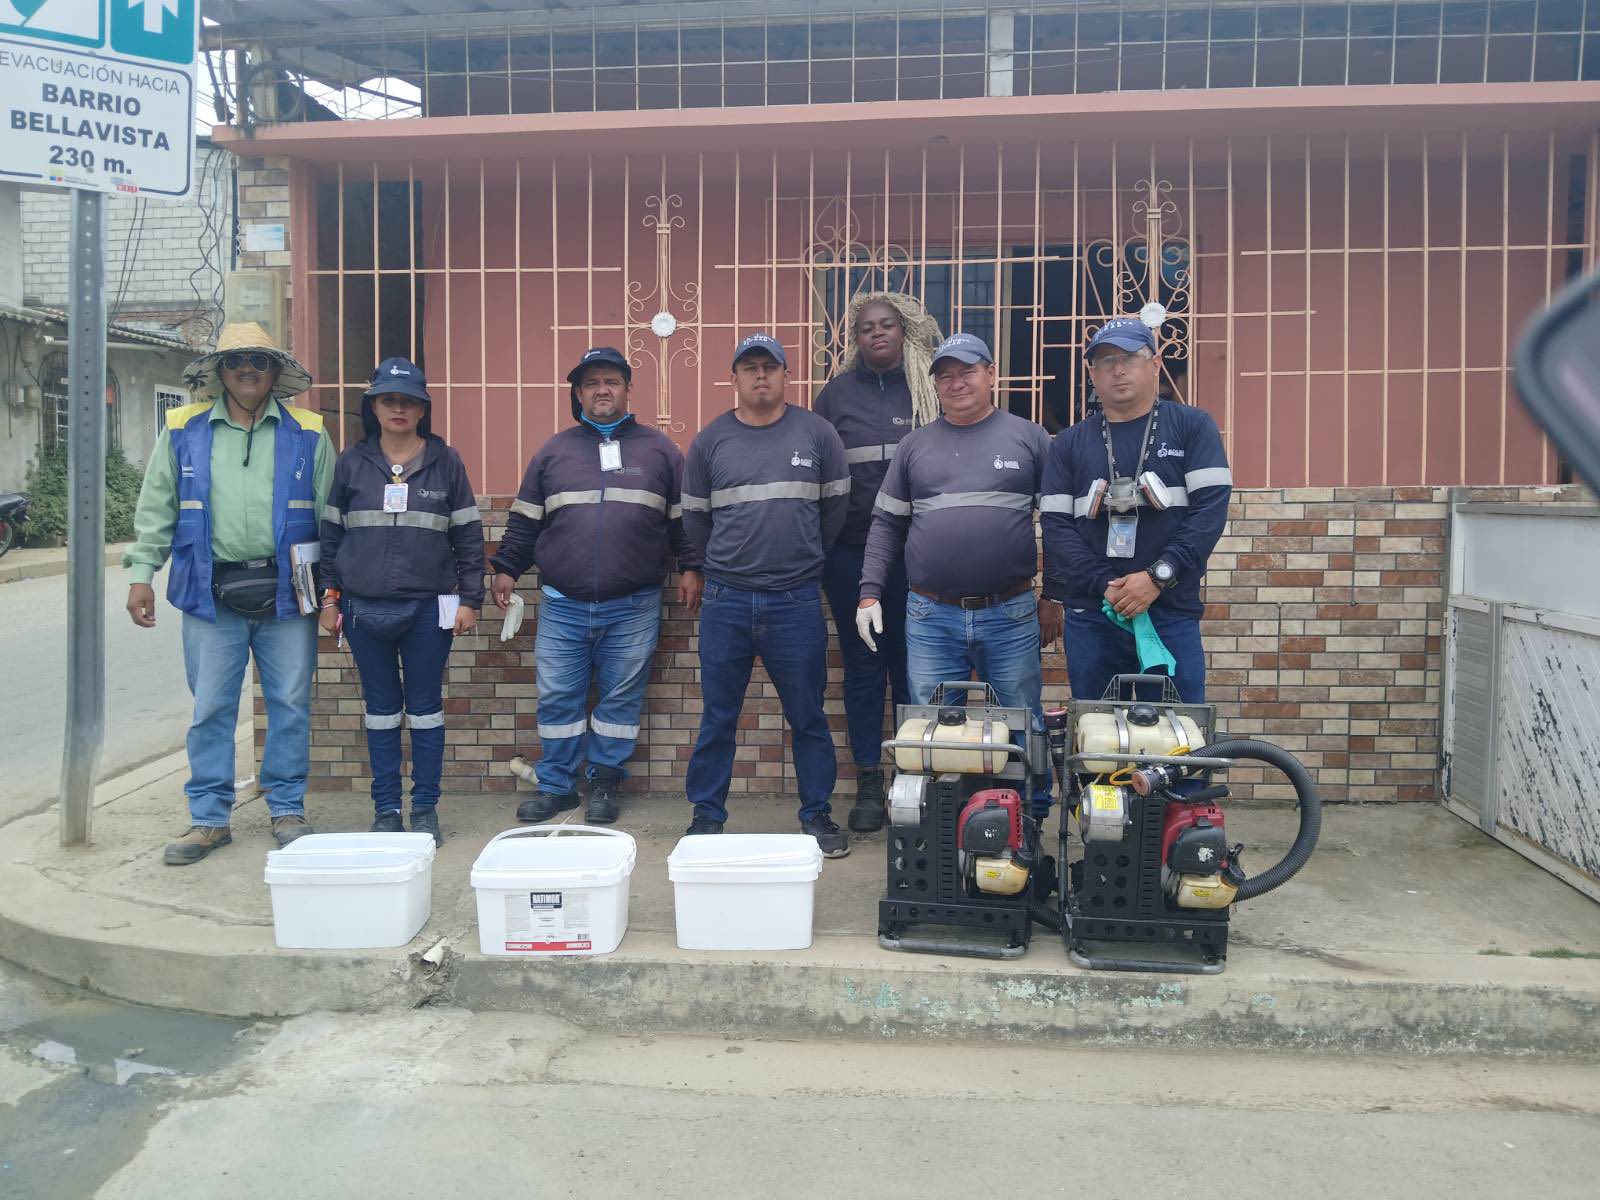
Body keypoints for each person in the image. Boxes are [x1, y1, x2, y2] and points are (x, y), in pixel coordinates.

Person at [124, 323, 334, 865]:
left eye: (259, 361)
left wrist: (333, 591)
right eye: (236, 360)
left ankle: (287, 809)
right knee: (211, 707)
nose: (247, 369)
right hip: (209, 591)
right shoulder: (183, 427)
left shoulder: (309, 432)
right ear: (219, 370)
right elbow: (158, 506)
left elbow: (329, 518)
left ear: (274, 372)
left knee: (290, 704)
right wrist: (142, 572)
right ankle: (209, 819)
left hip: (289, 593)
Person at [490, 347, 703, 826]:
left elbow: (683, 521)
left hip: (633, 606)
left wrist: (692, 566)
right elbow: (526, 521)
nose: (602, 390)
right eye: (591, 383)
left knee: (620, 700)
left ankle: (605, 781)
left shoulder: (660, 451)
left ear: (627, 389)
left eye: (611, 381)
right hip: (562, 605)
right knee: (558, 698)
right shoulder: (553, 451)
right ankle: (557, 786)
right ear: (578, 394)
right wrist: (506, 567)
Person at [858, 333, 1062, 820]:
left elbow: (1059, 524)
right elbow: (886, 524)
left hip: (1010, 612)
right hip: (931, 615)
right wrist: (869, 593)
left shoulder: (1029, 438)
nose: (956, 383)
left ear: (990, 374)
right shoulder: (915, 446)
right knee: (931, 726)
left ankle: (1029, 822)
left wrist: (1054, 595)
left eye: (967, 371)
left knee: (1021, 721)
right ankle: (939, 826)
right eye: (945, 375)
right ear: (935, 384)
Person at [680, 334, 853, 856]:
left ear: (786, 375)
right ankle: (706, 817)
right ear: (734, 378)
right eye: (750, 367)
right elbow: (695, 520)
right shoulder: (710, 441)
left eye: (770, 367)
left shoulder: (818, 435)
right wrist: (726, 565)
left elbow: (833, 514)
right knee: (718, 717)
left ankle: (817, 815)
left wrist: (801, 559)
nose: (761, 376)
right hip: (726, 601)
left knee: (808, 716)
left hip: (795, 600)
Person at [318, 357, 484, 845]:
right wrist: (329, 600)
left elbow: (468, 537)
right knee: (381, 713)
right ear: (373, 407)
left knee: (427, 710)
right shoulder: (351, 463)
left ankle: (425, 808)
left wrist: (470, 599)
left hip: (429, 610)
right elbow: (330, 538)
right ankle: (386, 809)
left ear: (422, 409)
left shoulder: (446, 462)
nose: (398, 409)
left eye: (408, 401)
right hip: (362, 608)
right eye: (388, 400)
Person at [1041, 317, 1231, 704]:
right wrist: (1105, 585)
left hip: (1169, 611)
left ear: (1155, 364)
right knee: (1096, 731)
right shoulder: (1069, 443)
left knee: (1176, 732)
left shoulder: (1192, 427)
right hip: (1094, 615)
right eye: (1106, 361)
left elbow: (1209, 514)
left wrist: (1158, 577)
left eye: (1129, 357)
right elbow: (1056, 527)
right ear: (1092, 373)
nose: (1118, 369)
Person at [813, 292, 942, 833]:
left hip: (920, 556)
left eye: (886, 325)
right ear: (855, 338)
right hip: (850, 556)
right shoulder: (835, 396)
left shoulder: (929, 386)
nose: (877, 333)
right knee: (865, 668)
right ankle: (869, 781)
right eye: (866, 328)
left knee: (915, 669)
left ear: (904, 330)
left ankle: (913, 780)